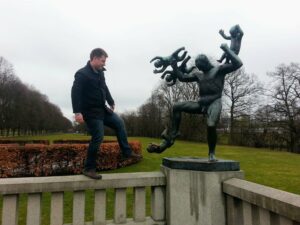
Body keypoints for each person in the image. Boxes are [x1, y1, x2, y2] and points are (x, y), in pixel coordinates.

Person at [147, 43, 243, 161]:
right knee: (177, 106)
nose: (200, 69)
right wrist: (174, 66)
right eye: (198, 67)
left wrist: (226, 49)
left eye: (201, 66)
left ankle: (211, 153)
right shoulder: (199, 75)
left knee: (211, 124)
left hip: (214, 102)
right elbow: (182, 77)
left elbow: (238, 63)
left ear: (206, 63)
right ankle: (174, 133)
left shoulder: (219, 70)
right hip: (201, 104)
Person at [71, 48, 142, 179]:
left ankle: (127, 152)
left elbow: (104, 87)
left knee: (119, 123)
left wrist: (111, 101)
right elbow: (75, 92)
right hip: (91, 113)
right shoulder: (82, 74)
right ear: (95, 58)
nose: (104, 64)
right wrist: (77, 112)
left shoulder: (100, 73)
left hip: (103, 109)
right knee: (98, 136)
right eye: (103, 61)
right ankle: (89, 168)